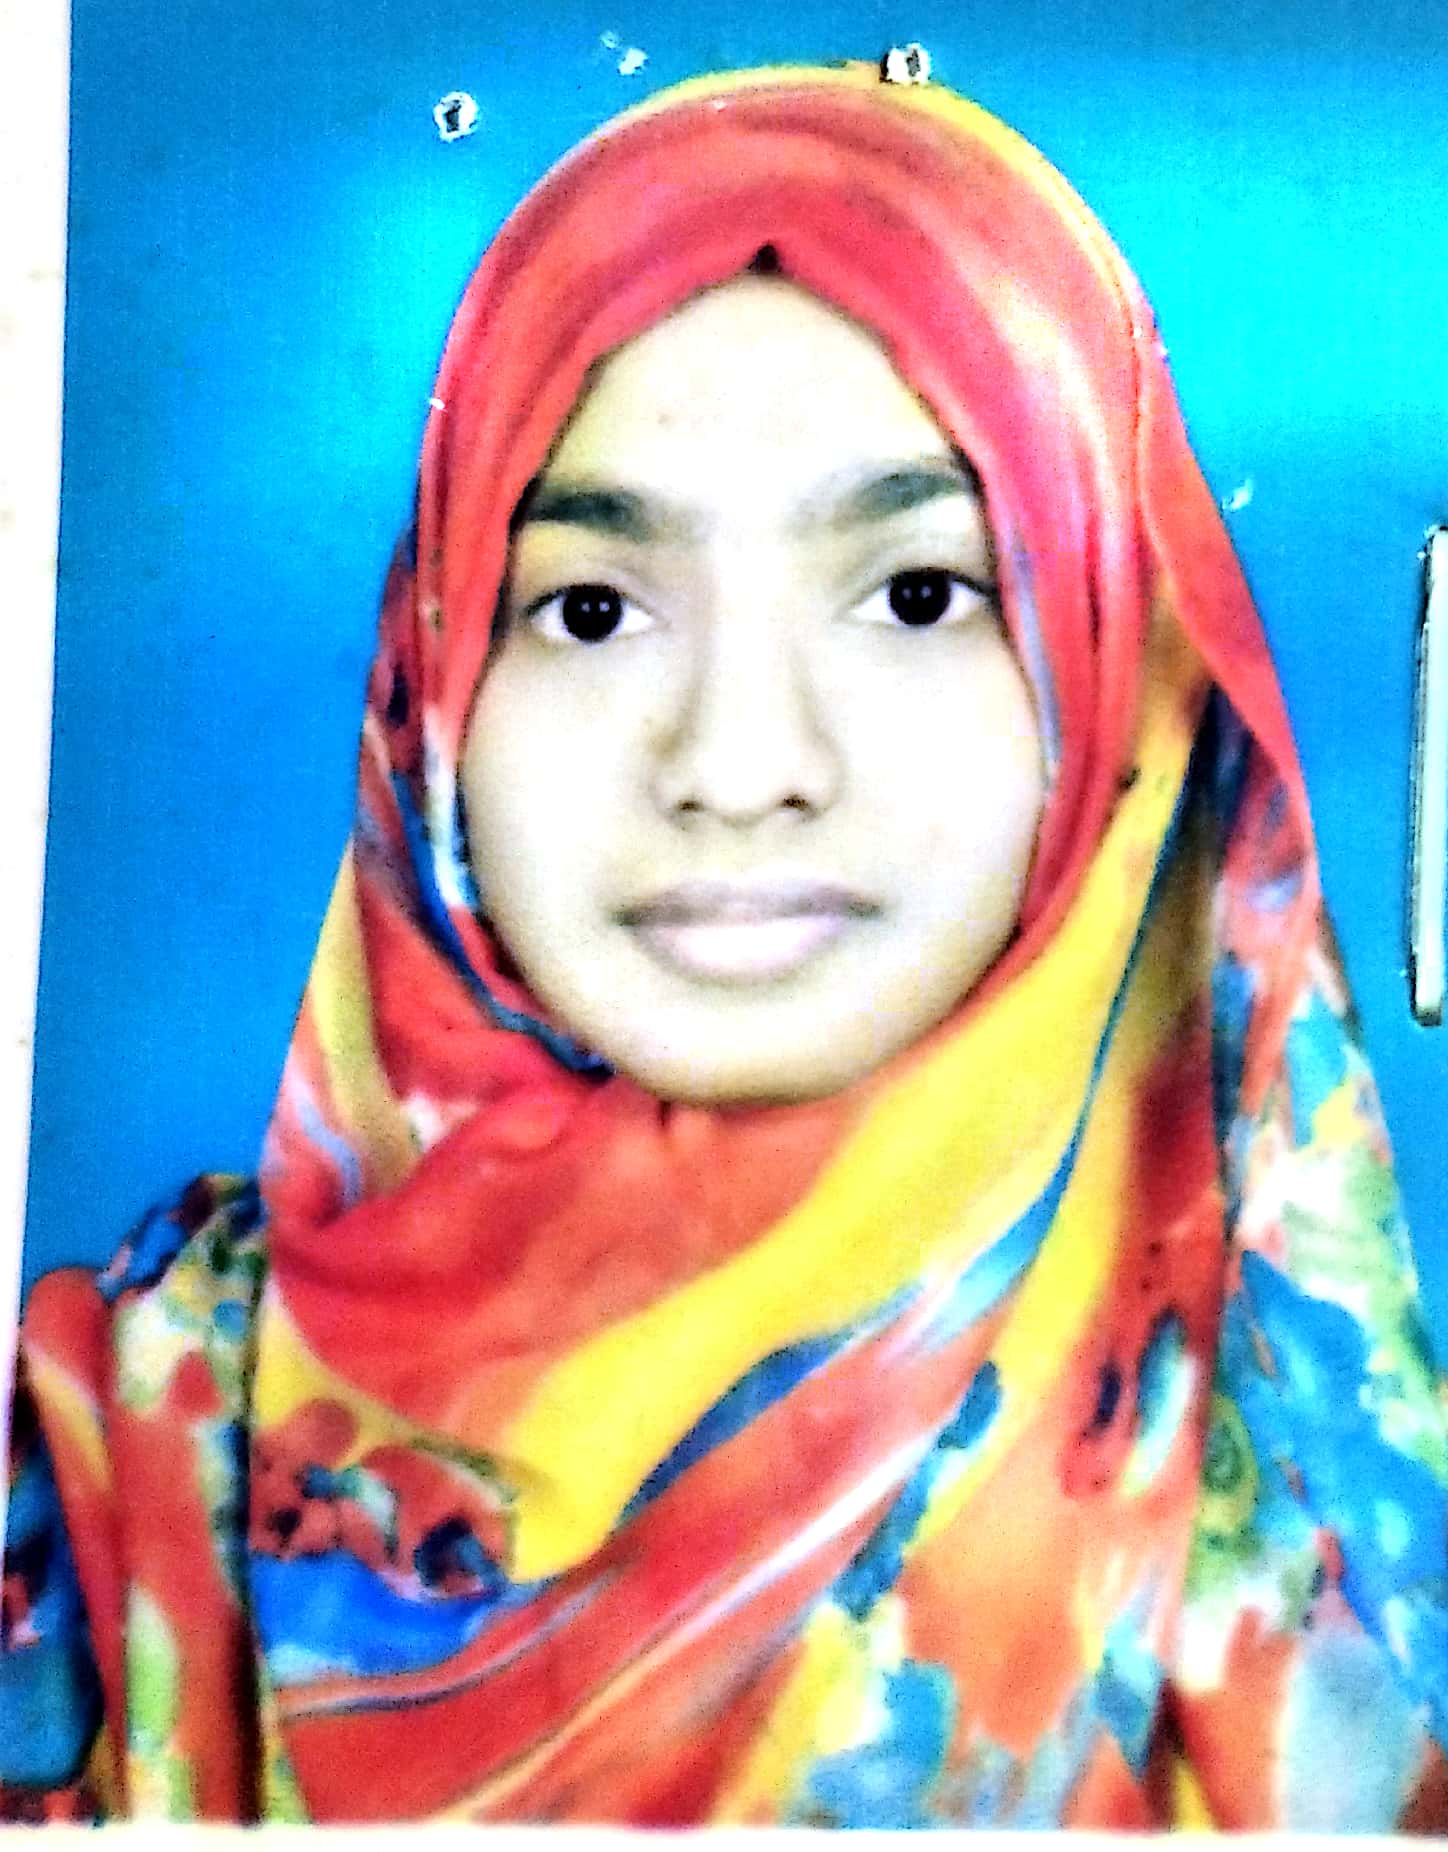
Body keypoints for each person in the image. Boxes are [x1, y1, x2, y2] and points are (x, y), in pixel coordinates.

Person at [3, 59, 1446, 1827]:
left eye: (919, 593)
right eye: (591, 609)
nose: (742, 765)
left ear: (1114, 682)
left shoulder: (1305, 1492)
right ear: (430, 690)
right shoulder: (145, 1436)